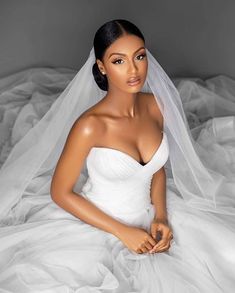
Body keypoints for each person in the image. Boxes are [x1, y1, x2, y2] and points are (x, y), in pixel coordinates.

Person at [0, 19, 235, 292]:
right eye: (119, 61)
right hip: (98, 224)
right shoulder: (90, 125)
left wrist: (160, 216)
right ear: (102, 67)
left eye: (139, 56)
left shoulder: (157, 106)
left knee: (225, 254)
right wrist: (123, 231)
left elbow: (156, 169)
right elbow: (60, 192)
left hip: (149, 213)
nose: (134, 70)